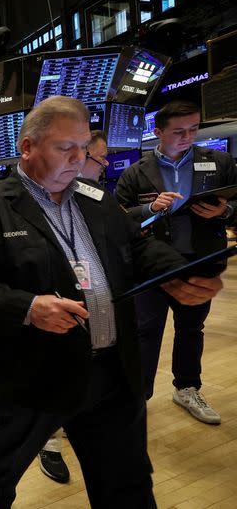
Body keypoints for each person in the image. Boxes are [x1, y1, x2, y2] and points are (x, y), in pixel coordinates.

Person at [0, 96, 223, 507]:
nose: (79, 158)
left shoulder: (96, 198)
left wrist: (177, 272)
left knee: (126, 482)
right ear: (28, 148)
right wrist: (27, 308)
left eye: (83, 148)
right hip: (35, 376)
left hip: (111, 372)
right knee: (6, 473)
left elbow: (138, 247)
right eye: (65, 148)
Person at [116, 100, 236, 424]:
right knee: (145, 330)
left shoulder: (220, 162)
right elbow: (119, 220)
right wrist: (149, 210)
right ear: (158, 132)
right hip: (151, 266)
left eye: (194, 129)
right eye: (179, 131)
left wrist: (224, 212)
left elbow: (235, 204)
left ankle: (186, 387)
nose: (188, 136)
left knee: (192, 327)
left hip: (200, 262)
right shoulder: (135, 173)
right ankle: (137, 398)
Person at [37, 129, 109, 484]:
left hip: (97, 328)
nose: (100, 164)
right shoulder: (20, 202)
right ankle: (49, 442)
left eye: (87, 153)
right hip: (50, 330)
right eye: (98, 157)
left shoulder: (98, 199)